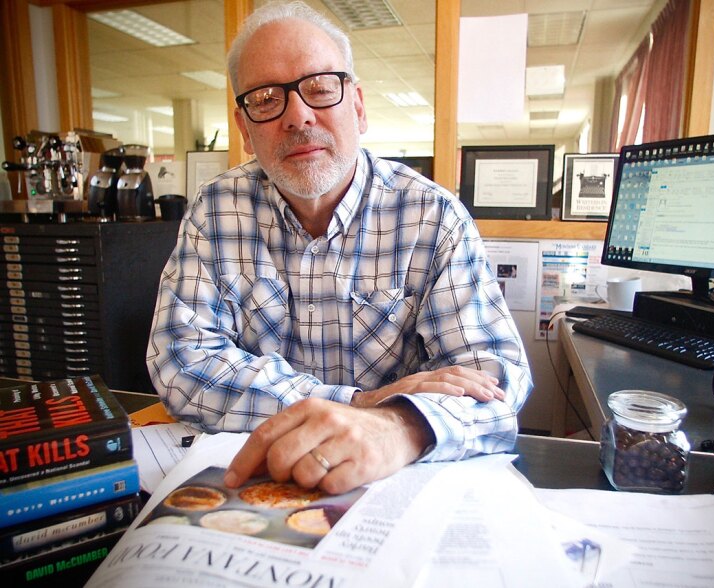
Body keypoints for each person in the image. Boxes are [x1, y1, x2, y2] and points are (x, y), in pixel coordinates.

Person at [146, 0, 532, 496]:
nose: (298, 116)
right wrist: (363, 402)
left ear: (358, 106)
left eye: (321, 88)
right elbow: (181, 362)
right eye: (266, 99)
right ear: (244, 129)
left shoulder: (433, 217)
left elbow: (496, 380)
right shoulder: (216, 209)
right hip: (256, 480)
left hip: (396, 485)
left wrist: (401, 427)